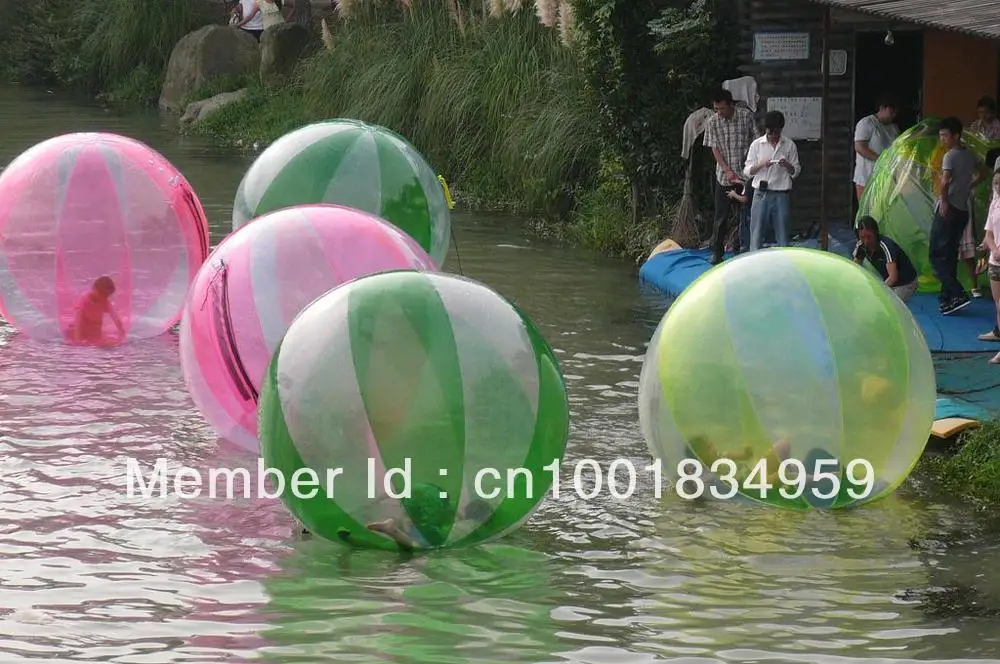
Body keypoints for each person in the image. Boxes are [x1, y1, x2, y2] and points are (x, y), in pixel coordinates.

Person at [929, 117, 982, 315]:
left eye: (945, 135)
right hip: (962, 211)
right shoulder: (970, 154)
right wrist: (970, 186)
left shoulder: (949, 156)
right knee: (949, 255)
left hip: (948, 210)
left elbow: (944, 182)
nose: (942, 139)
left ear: (956, 135)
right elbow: (983, 171)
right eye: (941, 135)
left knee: (936, 256)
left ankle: (957, 293)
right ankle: (948, 299)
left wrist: (944, 201)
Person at [702, 89, 759, 264]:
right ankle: (717, 253)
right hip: (724, 176)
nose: (719, 112)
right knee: (721, 217)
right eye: (716, 109)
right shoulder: (713, 122)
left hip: (745, 173)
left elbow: (755, 140)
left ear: (730, 104)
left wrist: (750, 165)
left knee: (747, 214)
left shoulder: (745, 117)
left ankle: (745, 249)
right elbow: (714, 148)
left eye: (722, 108)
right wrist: (727, 170)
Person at [743, 110, 800, 252]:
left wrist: (786, 164)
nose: (773, 137)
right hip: (760, 193)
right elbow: (747, 171)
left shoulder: (789, 145)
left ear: (781, 130)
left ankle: (783, 266)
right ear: (766, 131)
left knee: (782, 236)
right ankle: (754, 263)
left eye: (776, 133)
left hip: (781, 194)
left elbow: (796, 171)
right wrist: (761, 164)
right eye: (770, 133)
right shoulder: (757, 145)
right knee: (756, 235)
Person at [852, 216, 919, 302]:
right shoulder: (861, 246)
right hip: (889, 282)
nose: (866, 241)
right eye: (862, 237)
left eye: (869, 237)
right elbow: (854, 267)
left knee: (892, 307)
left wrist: (878, 291)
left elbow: (893, 277)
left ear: (876, 233)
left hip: (906, 283)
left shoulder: (886, 246)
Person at [853, 95, 900, 203]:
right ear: (882, 108)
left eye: (896, 113)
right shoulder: (867, 123)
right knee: (867, 212)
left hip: (886, 177)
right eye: (891, 111)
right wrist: (881, 159)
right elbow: (859, 147)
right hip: (867, 177)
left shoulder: (894, 128)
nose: (894, 115)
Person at [978, 168, 1000, 362]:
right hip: (995, 261)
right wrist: (994, 250)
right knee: (999, 304)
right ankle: (998, 332)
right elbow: (988, 233)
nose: (998, 186)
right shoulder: (995, 203)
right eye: (996, 183)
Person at [67, 276, 125, 345]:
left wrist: (121, 331)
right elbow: (78, 318)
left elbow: (115, 316)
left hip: (94, 329)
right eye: (102, 295)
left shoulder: (104, 301)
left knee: (103, 343)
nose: (104, 298)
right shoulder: (84, 299)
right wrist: (78, 340)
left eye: (107, 296)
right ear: (94, 289)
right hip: (82, 327)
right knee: (70, 332)